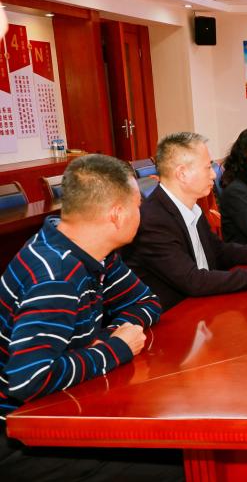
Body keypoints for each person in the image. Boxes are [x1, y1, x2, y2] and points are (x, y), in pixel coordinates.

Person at [0, 154, 178, 479]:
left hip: (62, 404)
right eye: (138, 206)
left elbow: (147, 301)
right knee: (178, 465)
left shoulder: (94, 252)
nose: (142, 214)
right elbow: (28, 380)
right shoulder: (55, 276)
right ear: (117, 214)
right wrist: (114, 349)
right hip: (20, 432)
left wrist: (112, 335)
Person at [124, 132, 247, 311]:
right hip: (176, 317)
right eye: (207, 168)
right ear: (182, 173)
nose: (213, 175)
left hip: (203, 306)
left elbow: (220, 252)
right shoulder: (154, 220)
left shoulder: (191, 207)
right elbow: (194, 281)